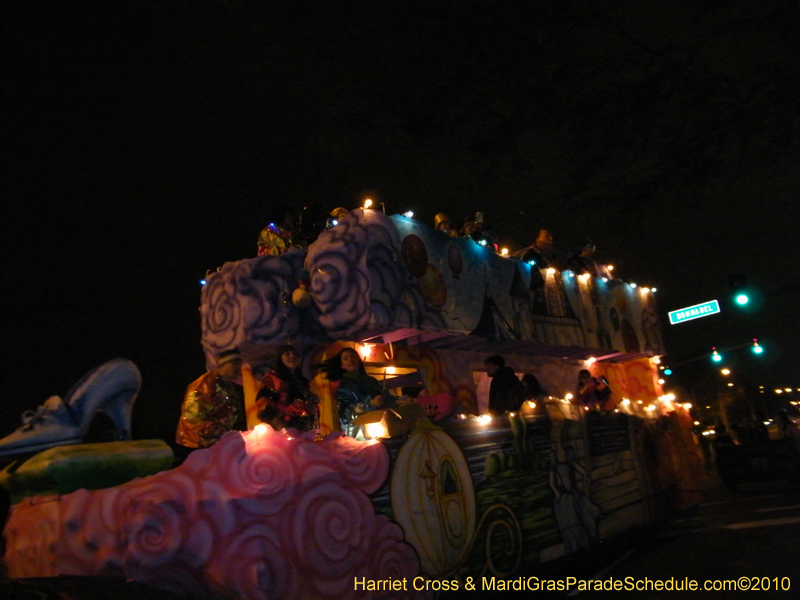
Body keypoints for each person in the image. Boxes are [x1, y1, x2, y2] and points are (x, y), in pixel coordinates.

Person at [176, 349, 246, 450]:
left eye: (240, 364)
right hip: (197, 443)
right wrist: (219, 432)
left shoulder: (230, 387)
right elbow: (192, 416)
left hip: (218, 442)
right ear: (223, 364)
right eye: (235, 363)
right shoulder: (205, 384)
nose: (239, 368)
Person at [321, 347, 395, 439]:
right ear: (342, 365)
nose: (350, 360)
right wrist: (371, 404)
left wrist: (401, 400)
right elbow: (347, 412)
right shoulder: (344, 386)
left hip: (383, 428)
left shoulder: (371, 381)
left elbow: (387, 397)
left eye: (353, 357)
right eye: (346, 358)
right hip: (360, 434)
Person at [257, 344, 319, 432]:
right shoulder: (273, 377)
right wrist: (279, 425)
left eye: (294, 354)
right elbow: (264, 402)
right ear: (280, 358)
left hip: (304, 427)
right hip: (284, 427)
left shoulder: (301, 379)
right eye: (287, 354)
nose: (292, 356)